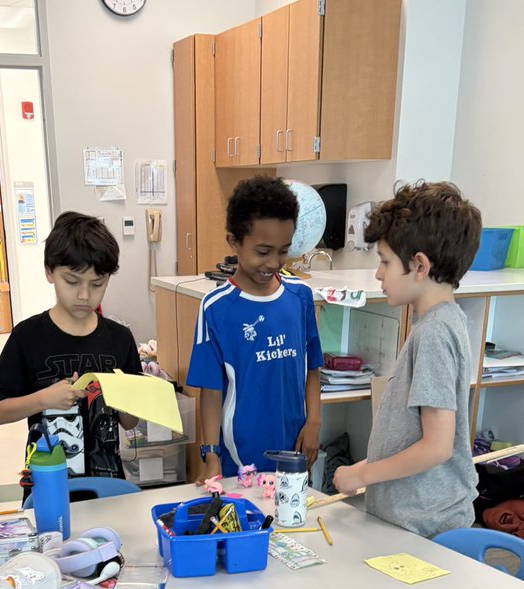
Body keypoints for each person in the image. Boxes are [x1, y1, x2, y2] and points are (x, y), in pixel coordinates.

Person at [332, 180, 482, 537]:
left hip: (426, 523)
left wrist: (361, 474)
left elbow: (437, 447)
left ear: (419, 266)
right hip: (414, 515)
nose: (378, 273)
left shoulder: (434, 333)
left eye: (385, 261)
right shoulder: (441, 321)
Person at [0, 211, 141, 494]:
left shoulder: (120, 339)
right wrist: (43, 399)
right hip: (48, 485)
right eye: (72, 281)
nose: (84, 295)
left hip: (108, 485)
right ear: (49, 272)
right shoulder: (27, 336)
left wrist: (123, 399)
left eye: (97, 284)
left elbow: (130, 421)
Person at [186, 176, 323, 482]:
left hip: (295, 453)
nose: (274, 262)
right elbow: (210, 390)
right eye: (263, 251)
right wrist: (211, 455)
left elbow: (312, 367)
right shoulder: (216, 308)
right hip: (238, 461)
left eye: (283, 250)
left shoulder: (300, 296)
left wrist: (314, 422)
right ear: (234, 242)